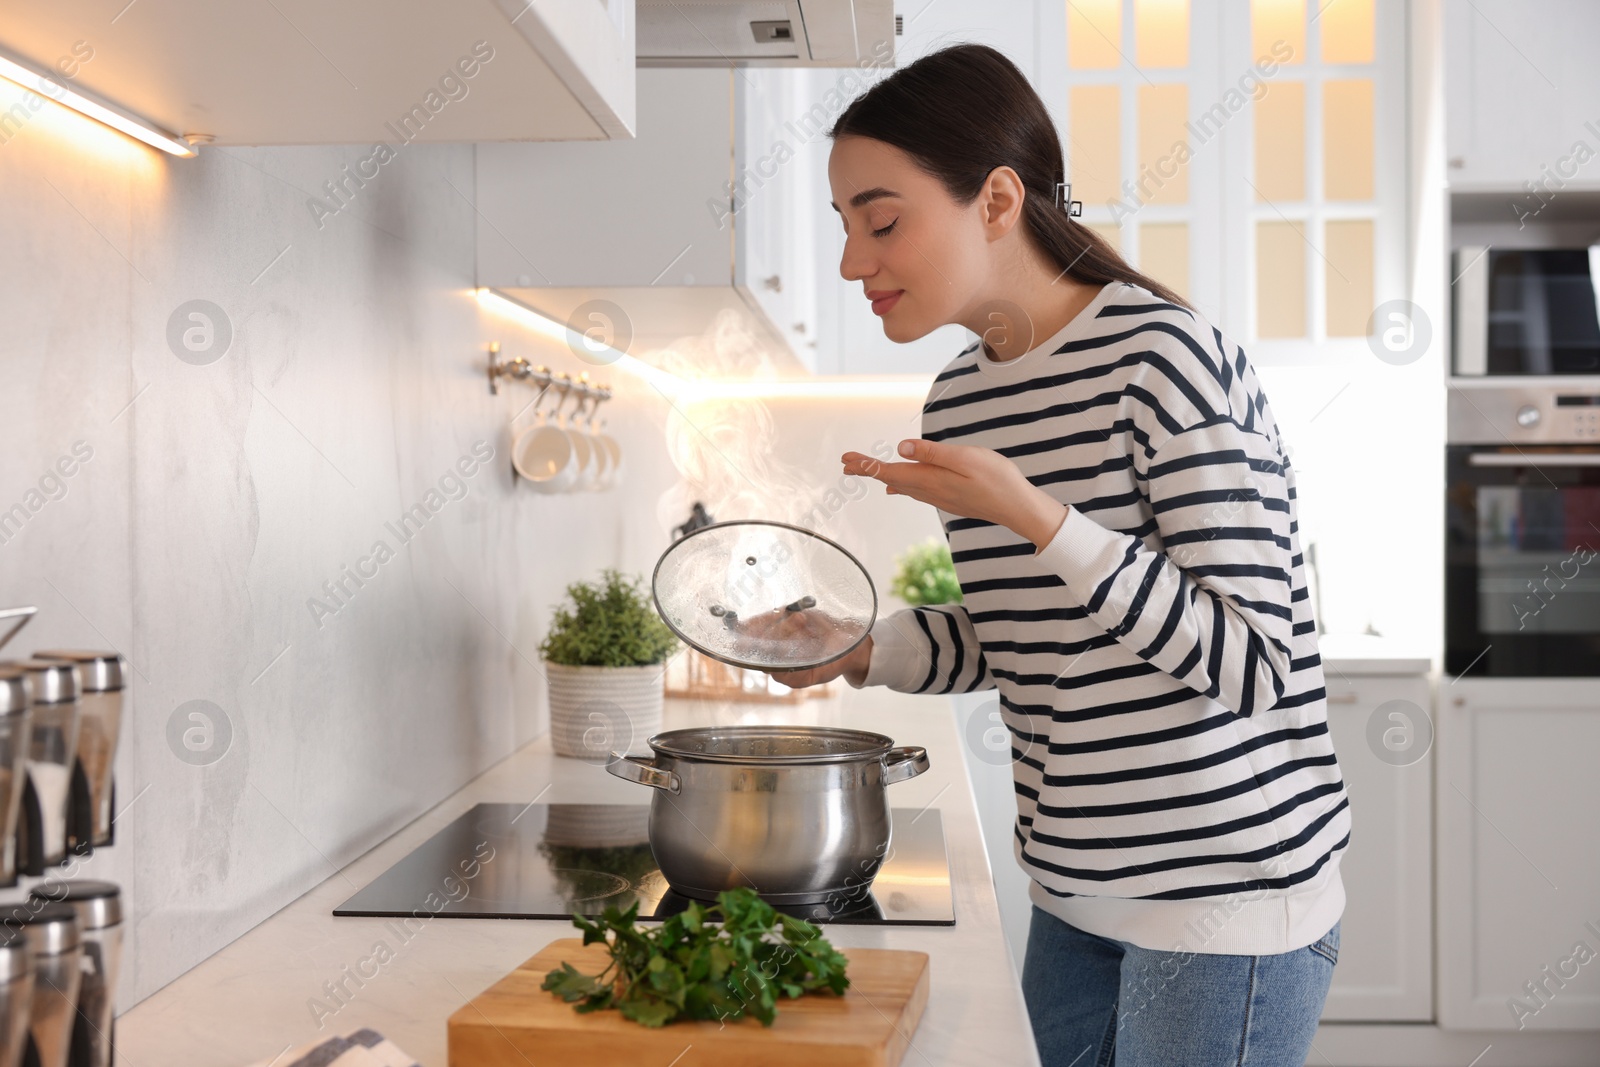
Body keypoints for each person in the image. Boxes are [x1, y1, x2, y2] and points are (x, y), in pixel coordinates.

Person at [770, 43, 1349, 1067]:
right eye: (844, 227)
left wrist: (1037, 513)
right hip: (1075, 888)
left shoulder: (1164, 359)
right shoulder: (962, 396)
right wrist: (857, 645)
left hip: (1220, 897)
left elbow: (1258, 660)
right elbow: (1026, 635)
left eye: (883, 220)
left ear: (996, 199)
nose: (856, 261)